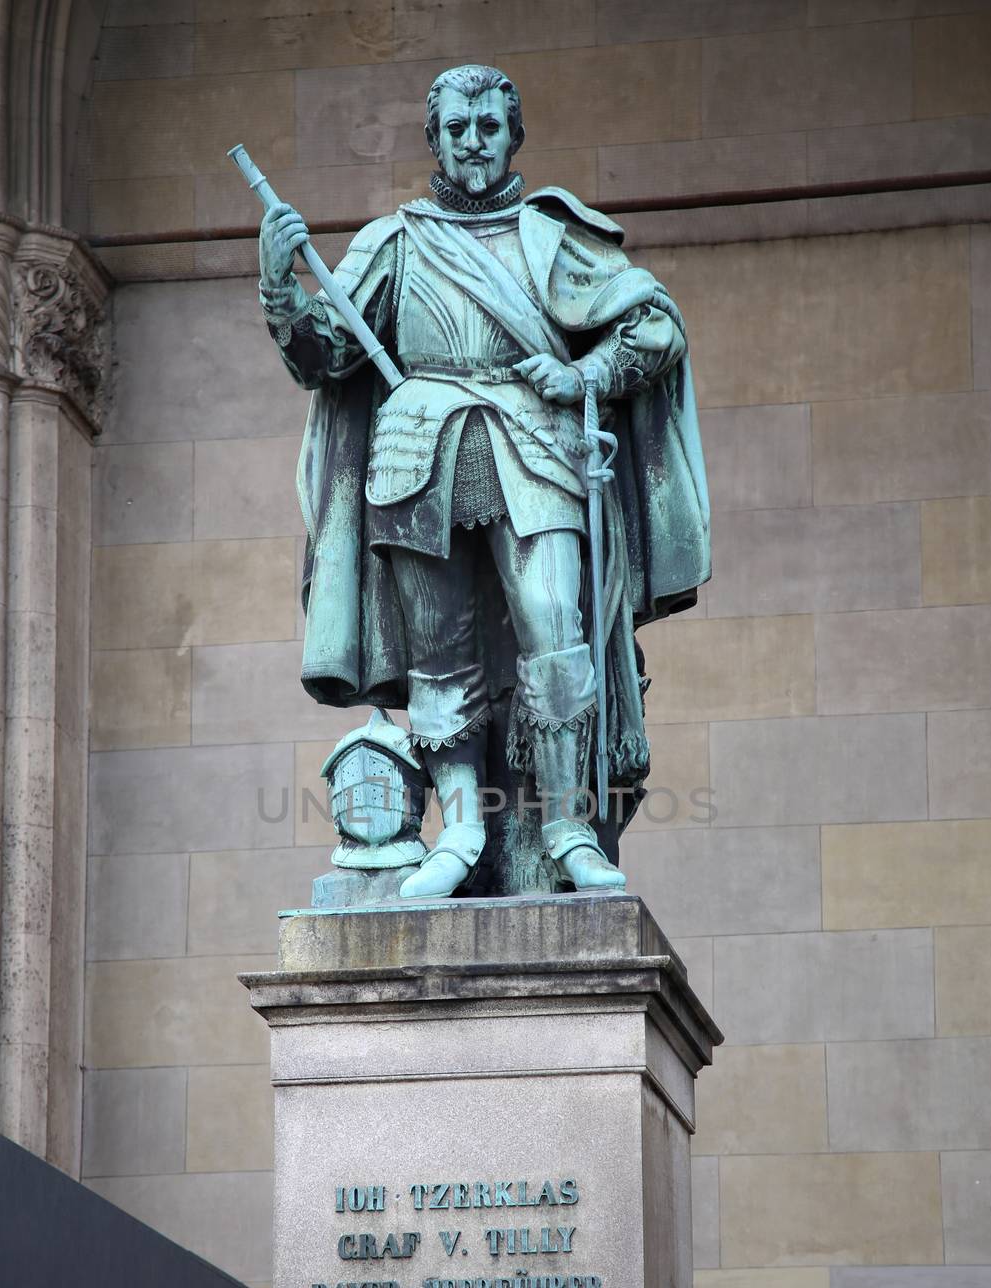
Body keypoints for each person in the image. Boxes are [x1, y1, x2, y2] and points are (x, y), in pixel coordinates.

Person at [257, 63, 710, 899]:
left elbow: (654, 326)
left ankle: (568, 826)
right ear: (433, 138)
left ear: (513, 135)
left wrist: (585, 377)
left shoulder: (554, 235)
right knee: (439, 653)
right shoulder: (393, 239)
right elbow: (326, 355)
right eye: (456, 129)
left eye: (488, 127)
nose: (473, 142)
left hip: (532, 442)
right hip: (415, 452)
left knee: (553, 629)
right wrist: (280, 289)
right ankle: (460, 828)